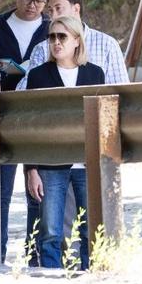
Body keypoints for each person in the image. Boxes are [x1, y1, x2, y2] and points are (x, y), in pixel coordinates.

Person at [0, 0, 51, 260]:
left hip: (38, 118)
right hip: (0, 115)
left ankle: (37, 258)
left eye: (40, 1)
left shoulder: (52, 28)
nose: (33, 5)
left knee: (40, 191)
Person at [23, 15, 104, 270]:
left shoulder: (94, 73)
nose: (56, 42)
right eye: (52, 37)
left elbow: (102, 120)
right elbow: (30, 125)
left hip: (87, 162)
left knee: (92, 229)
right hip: (50, 163)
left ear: (76, 41)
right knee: (50, 232)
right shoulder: (38, 76)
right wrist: (31, 169)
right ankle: (50, 281)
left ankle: (91, 280)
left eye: (62, 37)